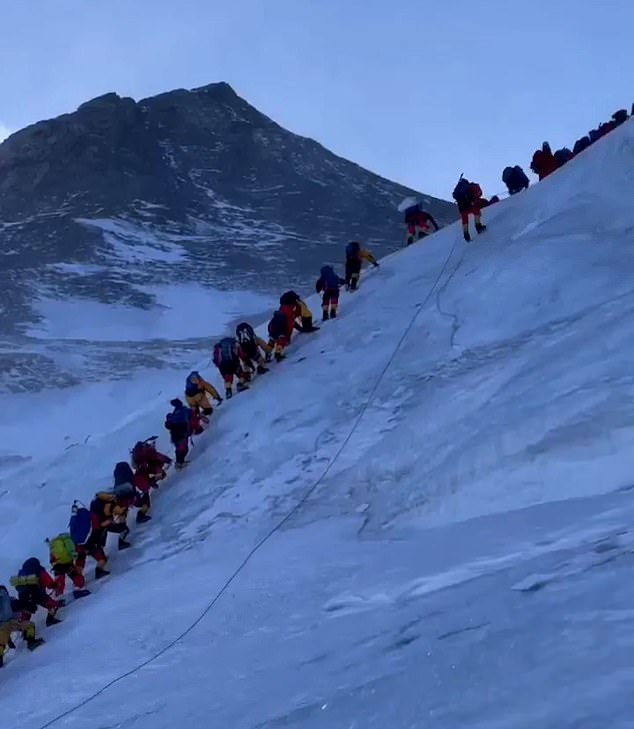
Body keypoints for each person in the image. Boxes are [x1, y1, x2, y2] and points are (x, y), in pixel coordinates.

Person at [0, 586, 44, 667]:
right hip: (9, 622)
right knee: (30, 625)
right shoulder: (9, 600)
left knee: (1, 642)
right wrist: (30, 606)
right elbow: (18, 605)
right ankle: (31, 642)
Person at [10, 558, 61, 627]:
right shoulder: (38, 569)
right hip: (37, 593)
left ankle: (25, 632)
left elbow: (18, 588)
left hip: (24, 595)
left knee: (27, 611)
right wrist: (54, 586)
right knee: (52, 604)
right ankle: (50, 620)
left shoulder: (22, 573)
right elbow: (47, 581)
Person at [131, 438, 171, 523]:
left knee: (144, 499)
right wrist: (169, 460)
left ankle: (140, 514)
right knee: (145, 501)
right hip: (141, 485)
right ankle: (140, 516)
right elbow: (158, 456)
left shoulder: (140, 457)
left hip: (138, 482)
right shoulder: (149, 453)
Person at [69, 501, 110, 580]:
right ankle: (99, 571)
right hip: (89, 544)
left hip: (77, 546)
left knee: (80, 560)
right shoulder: (90, 515)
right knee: (102, 558)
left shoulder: (74, 517)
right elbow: (96, 529)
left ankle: (78, 581)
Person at [47, 532, 91, 600]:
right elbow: (76, 553)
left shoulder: (54, 544)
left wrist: (54, 563)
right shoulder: (69, 541)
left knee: (59, 581)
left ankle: (59, 598)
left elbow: (52, 557)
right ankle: (78, 590)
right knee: (77, 578)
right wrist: (78, 565)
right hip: (67, 564)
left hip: (57, 565)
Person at [452, 176, 486, 242]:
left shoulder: (458, 189)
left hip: (461, 207)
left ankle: (466, 234)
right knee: (477, 212)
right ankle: (478, 226)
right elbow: (479, 193)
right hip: (469, 205)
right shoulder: (470, 186)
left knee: (465, 219)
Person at [165, 398, 194, 469]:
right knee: (183, 448)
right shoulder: (183, 410)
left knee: (182, 447)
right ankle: (179, 463)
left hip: (175, 433)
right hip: (181, 431)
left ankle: (180, 462)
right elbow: (190, 414)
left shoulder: (175, 413)